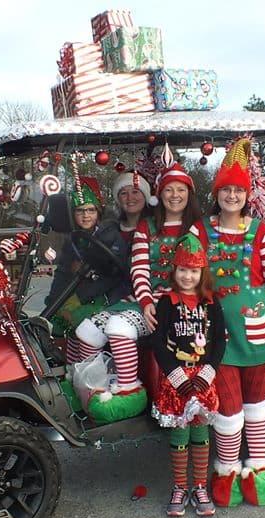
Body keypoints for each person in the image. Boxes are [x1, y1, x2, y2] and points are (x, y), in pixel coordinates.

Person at [189, 137, 265, 507]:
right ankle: (227, 469)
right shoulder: (200, 231)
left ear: (248, 194)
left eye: (238, 190)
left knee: (258, 403)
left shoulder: (263, 232)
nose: (232, 196)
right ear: (217, 193)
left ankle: (259, 467)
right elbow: (189, 280)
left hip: (258, 335)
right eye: (226, 190)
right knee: (228, 408)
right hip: (217, 337)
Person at [74, 154, 202, 424]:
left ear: (189, 194)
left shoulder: (198, 228)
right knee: (86, 330)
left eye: (180, 190)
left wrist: (168, 301)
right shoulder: (148, 226)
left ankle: (129, 390)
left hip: (181, 304)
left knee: (120, 327)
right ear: (159, 194)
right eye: (168, 190)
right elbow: (140, 269)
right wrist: (145, 302)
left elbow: (200, 275)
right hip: (145, 301)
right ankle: (91, 388)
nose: (174, 195)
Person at [150, 235, 225, 518]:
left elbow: (219, 341)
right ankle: (180, 486)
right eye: (182, 270)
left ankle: (199, 486)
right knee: (180, 431)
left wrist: (208, 372)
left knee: (200, 432)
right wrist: (177, 376)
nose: (187, 276)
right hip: (177, 379)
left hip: (203, 378)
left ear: (202, 272)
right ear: (175, 271)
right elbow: (158, 342)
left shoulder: (210, 302)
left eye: (193, 271)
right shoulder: (167, 302)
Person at [45, 176, 131, 356]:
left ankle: (90, 373)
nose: (86, 215)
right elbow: (62, 273)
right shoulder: (73, 241)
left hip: (109, 296)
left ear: (98, 212)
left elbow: (115, 274)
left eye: (91, 210)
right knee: (55, 321)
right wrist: (53, 300)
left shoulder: (110, 236)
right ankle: (72, 369)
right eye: (80, 211)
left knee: (78, 320)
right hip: (81, 294)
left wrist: (81, 297)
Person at [113, 170, 156, 242]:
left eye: (135, 192)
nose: (130, 198)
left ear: (145, 197)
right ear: (118, 200)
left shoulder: (156, 228)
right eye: (124, 193)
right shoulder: (109, 230)